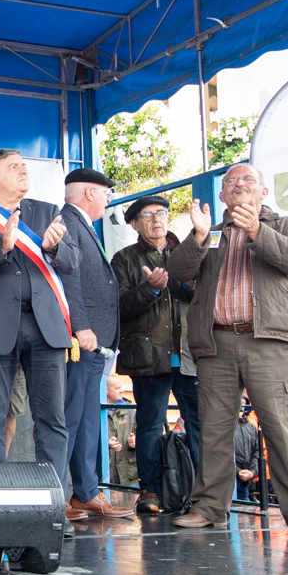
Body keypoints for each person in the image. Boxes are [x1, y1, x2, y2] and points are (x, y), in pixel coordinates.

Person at [168, 164, 288, 539]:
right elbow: (178, 272)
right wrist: (196, 236)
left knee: (282, 428)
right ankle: (209, 508)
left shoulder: (284, 225)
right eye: (230, 183)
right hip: (216, 343)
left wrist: (256, 231)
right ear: (222, 196)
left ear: (262, 193)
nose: (238, 185)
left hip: (270, 341)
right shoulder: (210, 233)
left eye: (247, 181)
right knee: (213, 428)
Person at [0, 148, 81, 531]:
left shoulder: (45, 210)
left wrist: (55, 247)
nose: (23, 172)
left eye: (25, 166)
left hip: (46, 326)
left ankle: (53, 509)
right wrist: (1, 246)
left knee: (52, 421)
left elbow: (72, 263)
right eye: (13, 168)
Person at [112, 195, 201, 515]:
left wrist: (191, 282)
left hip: (190, 353)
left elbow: (203, 296)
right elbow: (118, 308)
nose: (156, 220)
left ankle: (201, 493)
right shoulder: (124, 259)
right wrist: (149, 289)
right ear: (135, 224)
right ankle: (149, 489)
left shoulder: (185, 253)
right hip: (148, 356)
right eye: (148, 215)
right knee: (150, 423)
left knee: (198, 423)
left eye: (161, 213)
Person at [60, 170, 131, 518]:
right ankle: (58, 495)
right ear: (89, 192)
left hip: (94, 344)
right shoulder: (68, 221)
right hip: (81, 340)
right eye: (105, 194)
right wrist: (81, 325)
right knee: (71, 418)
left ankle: (85, 492)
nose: (108, 200)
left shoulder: (83, 224)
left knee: (88, 418)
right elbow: (68, 278)